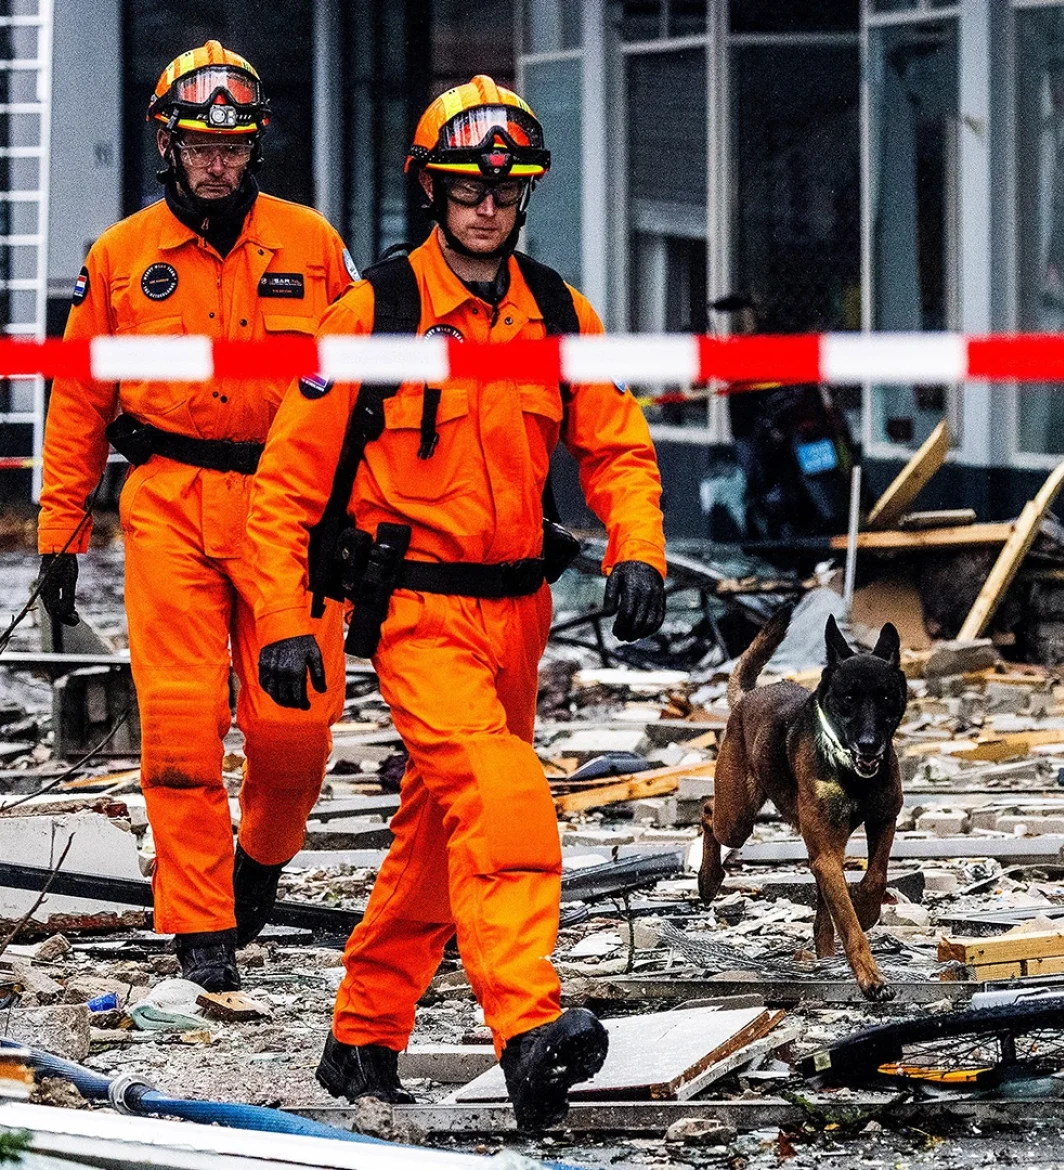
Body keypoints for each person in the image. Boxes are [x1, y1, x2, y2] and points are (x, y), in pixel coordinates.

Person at [247, 75, 667, 1130]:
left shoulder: (560, 311)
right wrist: (287, 620)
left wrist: (641, 551)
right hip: (419, 615)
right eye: (466, 187)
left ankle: (363, 1035)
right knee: (504, 797)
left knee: (440, 831)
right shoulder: (376, 313)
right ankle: (528, 1029)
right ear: (429, 190)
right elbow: (288, 484)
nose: (487, 204)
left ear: (525, 194)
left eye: (508, 187)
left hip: (518, 615)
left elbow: (616, 444)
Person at [36, 41, 355, 993]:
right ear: (167, 146)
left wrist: (363, 514)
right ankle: (200, 919)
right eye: (198, 144)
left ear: (255, 146)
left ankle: (259, 856)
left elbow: (359, 395)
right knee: (180, 724)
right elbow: (78, 400)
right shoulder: (121, 259)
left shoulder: (311, 246)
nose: (216, 160)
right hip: (168, 501)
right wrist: (60, 531)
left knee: (296, 728)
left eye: (234, 143)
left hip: (287, 509)